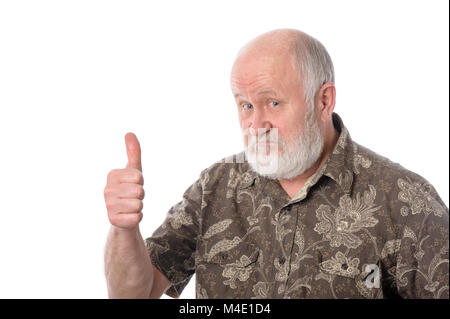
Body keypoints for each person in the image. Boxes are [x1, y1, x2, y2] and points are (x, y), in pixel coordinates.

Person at [103, 29, 449, 299]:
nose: (256, 125)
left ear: (323, 100)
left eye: (272, 103)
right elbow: (133, 292)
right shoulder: (215, 188)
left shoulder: (406, 201)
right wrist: (123, 229)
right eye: (245, 106)